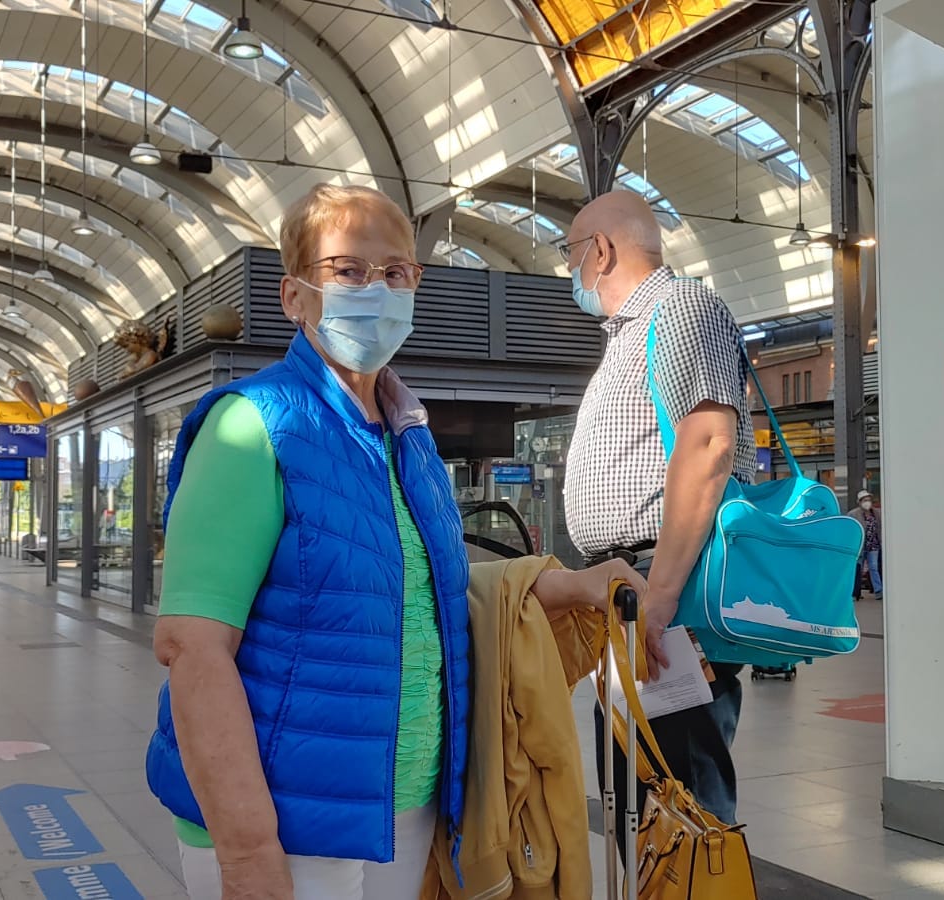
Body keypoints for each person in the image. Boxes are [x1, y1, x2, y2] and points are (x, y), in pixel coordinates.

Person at [145, 183, 644, 900]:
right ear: (295, 296)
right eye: (347, 270)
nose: (375, 290)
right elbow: (192, 648)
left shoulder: (406, 435)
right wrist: (248, 852)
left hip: (404, 806)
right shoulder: (250, 426)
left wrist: (560, 583)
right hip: (288, 822)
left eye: (395, 272)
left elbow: (418, 588)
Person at [560, 191, 759, 835]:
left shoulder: (681, 311)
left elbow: (707, 444)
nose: (571, 271)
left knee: (682, 805)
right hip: (635, 592)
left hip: (664, 590)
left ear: (601, 250)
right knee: (637, 799)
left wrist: (662, 594)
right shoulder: (632, 333)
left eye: (571, 253)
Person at [848, 490, 883, 599]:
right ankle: (855, 593)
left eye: (868, 500)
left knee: (873, 567)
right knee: (858, 569)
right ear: (859, 502)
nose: (867, 502)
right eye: (864, 500)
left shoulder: (877, 513)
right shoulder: (853, 514)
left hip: (873, 545)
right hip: (860, 546)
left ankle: (879, 590)